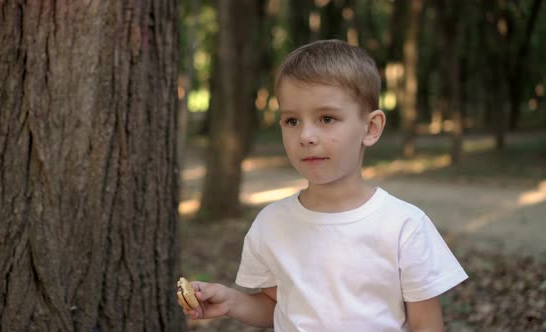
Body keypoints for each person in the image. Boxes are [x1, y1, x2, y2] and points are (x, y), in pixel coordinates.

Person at [183, 39, 468, 331]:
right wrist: (231, 302)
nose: (306, 135)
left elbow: (426, 325)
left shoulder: (404, 226)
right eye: (292, 121)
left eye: (327, 118)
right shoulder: (271, 224)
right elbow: (277, 307)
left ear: (371, 128)